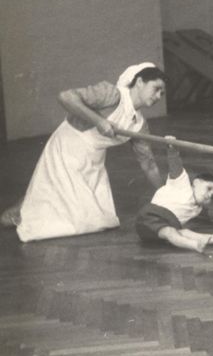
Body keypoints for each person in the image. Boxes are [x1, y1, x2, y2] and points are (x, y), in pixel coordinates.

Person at [1, 63, 167, 242]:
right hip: (68, 146)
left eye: (162, 93)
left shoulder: (139, 125)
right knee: (74, 223)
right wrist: (98, 121)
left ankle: (35, 198)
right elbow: (65, 97)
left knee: (100, 221)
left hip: (93, 159)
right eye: (156, 89)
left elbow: (148, 164)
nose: (158, 96)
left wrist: (165, 193)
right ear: (140, 82)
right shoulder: (111, 94)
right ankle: (24, 206)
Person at [135, 136, 213, 253]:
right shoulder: (181, 183)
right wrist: (171, 146)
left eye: (212, 196)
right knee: (172, 232)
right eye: (209, 188)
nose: (209, 195)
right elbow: (175, 164)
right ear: (196, 182)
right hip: (150, 216)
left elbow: (210, 213)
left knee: (184, 232)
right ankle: (194, 245)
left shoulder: (197, 209)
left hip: (163, 231)